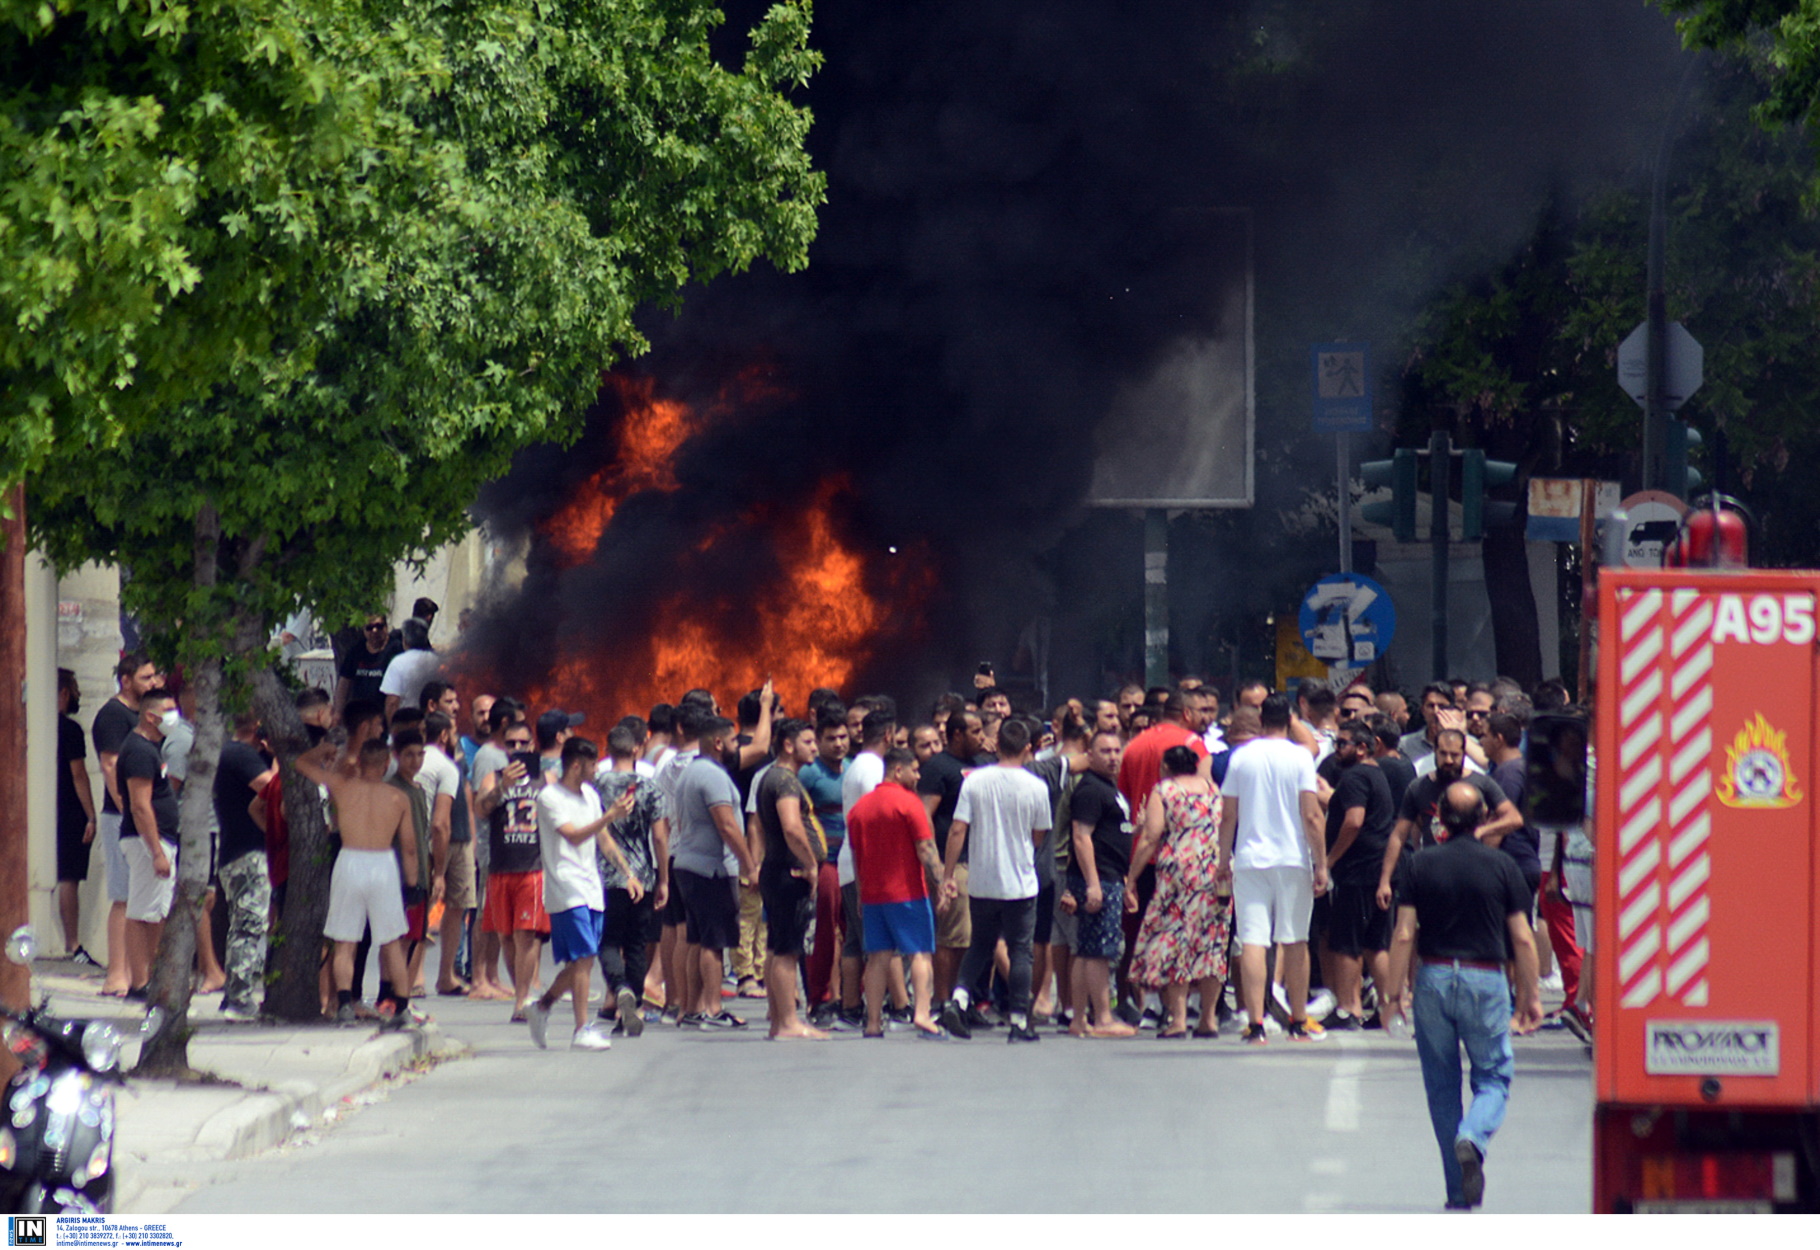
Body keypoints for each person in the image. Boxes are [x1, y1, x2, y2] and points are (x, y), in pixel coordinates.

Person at [1385, 781, 1544, 1210]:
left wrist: (1390, 995)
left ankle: (1458, 1192)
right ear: (1483, 820)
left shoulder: (1419, 864)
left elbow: (1403, 934)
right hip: (1484, 979)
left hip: (1433, 978)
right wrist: (1530, 994)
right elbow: (1523, 940)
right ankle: (1473, 1135)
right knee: (1493, 1076)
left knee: (1441, 1088)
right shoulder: (1501, 866)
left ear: (1440, 822)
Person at [1217, 693, 1327, 1045]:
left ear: (1261, 718)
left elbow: (1229, 815)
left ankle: (1255, 1023)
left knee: (1253, 939)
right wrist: (1321, 862)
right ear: (1291, 717)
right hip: (1292, 858)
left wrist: (1222, 859)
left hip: (1250, 858)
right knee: (1295, 940)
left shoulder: (1242, 757)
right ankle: (1297, 1020)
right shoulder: (1300, 758)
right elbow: (1311, 815)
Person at [937, 716, 1050, 1043]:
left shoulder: (974, 781)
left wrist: (948, 875)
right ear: (1028, 748)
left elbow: (958, 829)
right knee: (1020, 951)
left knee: (981, 945)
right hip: (1020, 883)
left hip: (982, 880)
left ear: (997, 745)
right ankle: (1018, 1021)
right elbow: (1039, 834)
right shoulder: (1036, 786)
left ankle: (957, 1001)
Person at [294, 736, 418, 1027]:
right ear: (388, 764)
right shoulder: (399, 798)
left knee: (345, 941)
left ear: (359, 762)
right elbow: (410, 847)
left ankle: (345, 1004)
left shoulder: (342, 786)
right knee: (390, 941)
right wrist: (412, 885)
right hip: (383, 864)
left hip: (350, 861)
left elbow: (300, 764)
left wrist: (320, 750)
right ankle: (402, 1008)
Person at [525, 736, 637, 1051]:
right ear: (576, 765)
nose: (595, 769)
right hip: (565, 887)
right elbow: (573, 836)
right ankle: (581, 1029)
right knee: (586, 957)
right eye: (591, 764)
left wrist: (628, 873)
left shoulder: (590, 794)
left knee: (578, 964)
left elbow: (602, 838)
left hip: (592, 887)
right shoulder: (549, 797)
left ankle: (542, 1006)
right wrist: (609, 816)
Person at [1125, 745, 1229, 1038]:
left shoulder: (1165, 790)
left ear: (1167, 767)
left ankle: (1178, 1019)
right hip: (1214, 870)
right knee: (1211, 943)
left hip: (1178, 875)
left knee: (1175, 942)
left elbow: (1151, 835)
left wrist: (1132, 877)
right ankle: (1208, 1018)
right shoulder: (1212, 789)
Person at [847, 748, 945, 1039]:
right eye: (914, 770)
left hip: (874, 895)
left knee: (877, 957)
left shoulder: (859, 809)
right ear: (897, 771)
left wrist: (861, 894)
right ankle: (922, 1013)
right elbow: (925, 848)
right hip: (908, 892)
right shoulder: (909, 804)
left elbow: (856, 856)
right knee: (919, 953)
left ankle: (873, 1022)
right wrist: (940, 884)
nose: (918, 775)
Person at [669, 716, 758, 1028]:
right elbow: (727, 825)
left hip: (687, 864)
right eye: (734, 741)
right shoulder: (713, 776)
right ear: (718, 743)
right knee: (713, 942)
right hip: (710, 871)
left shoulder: (690, 773)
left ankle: (692, 1009)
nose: (737, 747)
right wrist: (749, 865)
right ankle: (713, 1008)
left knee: (696, 939)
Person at [1375, 730, 1523, 913]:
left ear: (1464, 754)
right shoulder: (1419, 787)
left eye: (1455, 755)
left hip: (1473, 873)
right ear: (1435, 752)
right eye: (1443, 754)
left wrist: (1483, 831)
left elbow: (1514, 818)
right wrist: (1385, 880)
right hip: (1434, 873)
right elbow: (1398, 835)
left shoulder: (1481, 783)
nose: (1449, 760)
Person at [751, 718, 828, 1039]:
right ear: (788, 745)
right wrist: (811, 864)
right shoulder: (784, 781)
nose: (814, 747)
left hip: (777, 872)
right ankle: (787, 1023)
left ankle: (778, 1021)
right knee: (786, 950)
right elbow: (792, 827)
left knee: (777, 947)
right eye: (808, 741)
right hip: (789, 873)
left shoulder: (772, 777)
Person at [1320, 721, 1396, 1030]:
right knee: (1376, 944)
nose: (1336, 750)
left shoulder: (1354, 777)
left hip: (1358, 871)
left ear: (1363, 747)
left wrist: (1329, 859)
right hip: (1377, 870)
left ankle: (1348, 1008)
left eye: (1342, 744)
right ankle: (1390, 1009)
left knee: (1346, 943)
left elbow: (1353, 821)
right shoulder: (1375, 774)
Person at [592, 724, 667, 1036]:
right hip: (643, 876)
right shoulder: (650, 788)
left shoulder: (594, 787)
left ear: (608, 751)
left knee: (607, 940)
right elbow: (661, 837)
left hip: (605, 877)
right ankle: (633, 1005)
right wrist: (663, 878)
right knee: (637, 943)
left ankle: (619, 987)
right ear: (637, 750)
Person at [93, 653, 158, 995]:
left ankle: (138, 974)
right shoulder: (114, 715)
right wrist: (130, 811)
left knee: (140, 897)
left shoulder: (141, 716)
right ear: (126, 680)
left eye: (154, 677)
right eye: (145, 678)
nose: (153, 683)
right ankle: (116, 974)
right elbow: (109, 766)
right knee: (122, 895)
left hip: (136, 815)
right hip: (120, 816)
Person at [1066, 729, 1137, 1038]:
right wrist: (1093, 884)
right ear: (1089, 756)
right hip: (1097, 879)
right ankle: (1103, 1018)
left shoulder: (1111, 788)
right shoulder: (1090, 790)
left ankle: (1079, 1019)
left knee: (1086, 949)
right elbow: (1081, 837)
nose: (1112, 757)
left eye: (1116, 751)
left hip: (1111, 876)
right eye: (1104, 751)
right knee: (1099, 951)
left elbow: (1112, 835)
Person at [478, 719, 551, 1019]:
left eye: (523, 744)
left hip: (533, 867)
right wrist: (502, 788)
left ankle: (522, 999)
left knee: (526, 934)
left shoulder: (546, 779)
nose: (518, 749)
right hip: (500, 866)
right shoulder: (493, 778)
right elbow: (480, 810)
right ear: (503, 747)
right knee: (505, 937)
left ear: (532, 746)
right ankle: (520, 992)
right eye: (511, 744)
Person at [116, 684, 180, 999]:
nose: (174, 716)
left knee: (152, 910)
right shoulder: (140, 751)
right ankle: (141, 982)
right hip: (147, 843)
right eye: (168, 711)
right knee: (145, 913)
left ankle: (147, 979)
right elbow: (140, 806)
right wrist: (156, 852)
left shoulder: (152, 748)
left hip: (157, 839)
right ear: (151, 717)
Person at [214, 710, 277, 1021]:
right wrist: (279, 759)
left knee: (244, 924)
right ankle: (239, 998)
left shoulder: (234, 753)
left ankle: (235, 994)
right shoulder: (239, 753)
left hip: (239, 851)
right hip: (246, 853)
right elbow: (272, 787)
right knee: (250, 925)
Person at [919, 709, 984, 1003]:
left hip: (979, 862)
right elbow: (924, 817)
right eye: (975, 731)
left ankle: (962, 1002)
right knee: (952, 938)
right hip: (952, 863)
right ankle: (942, 1002)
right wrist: (937, 868)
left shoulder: (980, 764)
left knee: (969, 939)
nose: (982, 737)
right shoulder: (938, 767)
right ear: (957, 734)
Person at [798, 708, 850, 1026]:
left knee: (854, 929)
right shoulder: (808, 775)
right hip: (825, 863)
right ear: (819, 740)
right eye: (831, 738)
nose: (839, 744)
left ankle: (854, 996)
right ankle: (820, 998)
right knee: (823, 931)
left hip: (854, 861)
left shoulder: (856, 768)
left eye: (843, 737)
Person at [54, 669, 97, 963]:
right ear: (65, 692)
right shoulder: (69, 730)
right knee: (69, 876)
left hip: (43, 807)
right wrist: (91, 814)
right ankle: (73, 943)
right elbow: (79, 774)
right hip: (68, 809)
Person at [334, 612, 402, 720]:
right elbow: (344, 684)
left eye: (379, 626)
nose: (375, 631)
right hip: (361, 716)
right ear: (364, 630)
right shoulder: (356, 651)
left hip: (387, 716)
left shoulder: (397, 649)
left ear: (386, 627)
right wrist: (338, 713)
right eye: (369, 628)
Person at [379, 617, 440, 722]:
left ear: (405, 640)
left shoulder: (398, 663)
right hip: (432, 724)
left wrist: (393, 728)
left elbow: (392, 702)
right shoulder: (437, 661)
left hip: (405, 724)